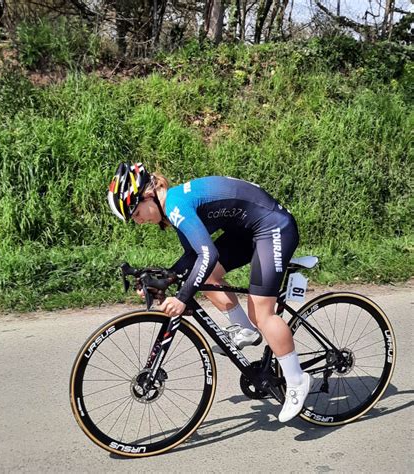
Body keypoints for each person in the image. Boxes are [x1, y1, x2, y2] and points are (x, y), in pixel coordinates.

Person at [107, 162, 313, 422]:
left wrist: (182, 299)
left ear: (148, 196)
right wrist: (163, 277)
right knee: (208, 274)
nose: (139, 221)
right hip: (247, 231)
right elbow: (195, 258)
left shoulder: (175, 204)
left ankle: (297, 381)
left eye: (136, 213)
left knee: (262, 313)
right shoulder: (174, 210)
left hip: (273, 227)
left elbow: (208, 254)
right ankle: (244, 329)